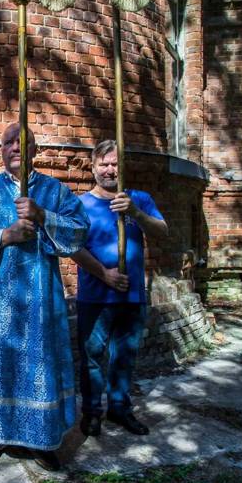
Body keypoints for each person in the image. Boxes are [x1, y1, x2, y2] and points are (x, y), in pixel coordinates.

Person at [0, 124, 89, 472]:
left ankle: (41, 438)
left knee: (38, 369)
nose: (15, 147)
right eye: (8, 142)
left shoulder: (54, 191)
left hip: (40, 301)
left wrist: (43, 215)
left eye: (23, 142)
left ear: (35, 150)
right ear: (1, 150)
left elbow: (78, 230)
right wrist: (5, 235)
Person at [72, 139, 168, 438]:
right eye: (104, 164)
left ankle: (119, 408)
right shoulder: (80, 204)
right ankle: (92, 413)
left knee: (125, 355)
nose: (110, 169)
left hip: (132, 295)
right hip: (95, 295)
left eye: (115, 164)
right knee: (92, 355)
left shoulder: (139, 198)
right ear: (93, 167)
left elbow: (163, 232)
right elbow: (73, 248)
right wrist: (105, 274)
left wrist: (136, 213)